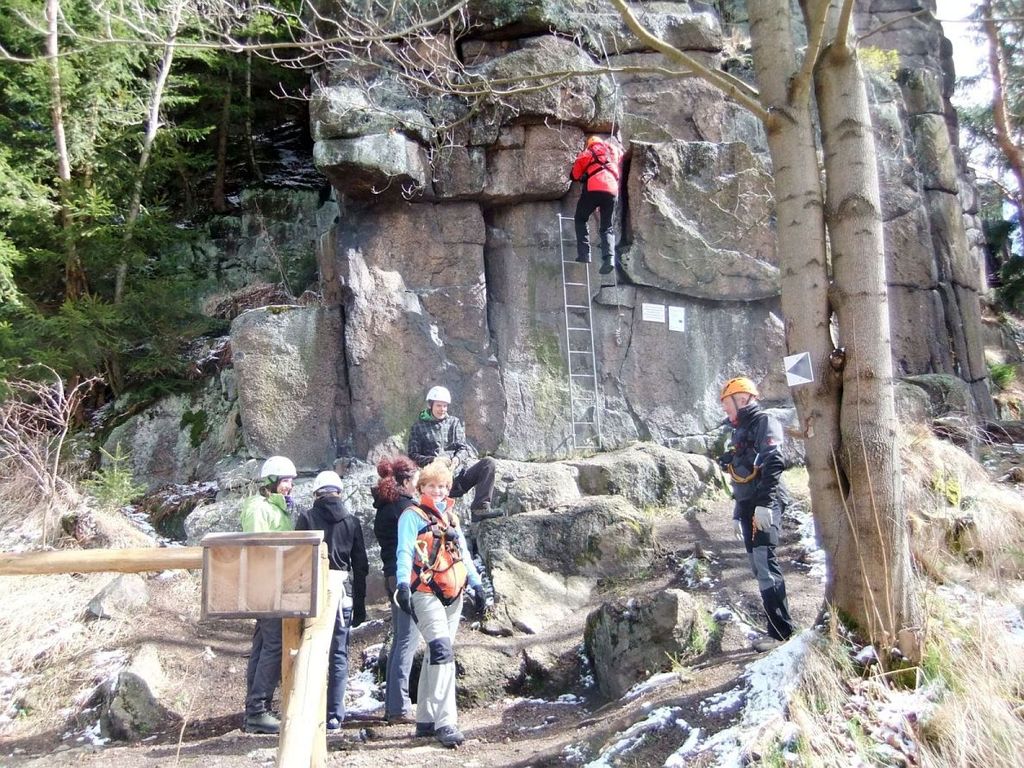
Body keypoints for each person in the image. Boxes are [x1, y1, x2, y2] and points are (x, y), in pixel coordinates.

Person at [394, 459, 488, 748]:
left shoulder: (451, 517)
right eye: (433, 485)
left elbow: (463, 554)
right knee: (442, 651)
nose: (438, 490)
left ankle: (425, 719)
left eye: (443, 486)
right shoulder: (411, 516)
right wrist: (401, 585)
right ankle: (446, 722)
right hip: (424, 590)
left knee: (438, 653)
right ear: (422, 487)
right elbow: (404, 550)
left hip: (454, 593)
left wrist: (477, 584)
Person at [717, 377, 795, 652]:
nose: (725, 409)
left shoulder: (764, 421)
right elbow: (743, 474)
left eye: (727, 403)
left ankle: (781, 634)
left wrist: (764, 504)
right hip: (750, 504)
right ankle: (776, 629)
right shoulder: (740, 430)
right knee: (757, 565)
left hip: (766, 501)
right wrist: (740, 511)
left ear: (743, 399)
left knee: (764, 563)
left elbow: (774, 461)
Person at [296, 469, 368, 731]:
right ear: (338, 492)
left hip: (312, 594)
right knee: (338, 654)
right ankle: (335, 714)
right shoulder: (351, 521)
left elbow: (297, 561)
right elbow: (361, 566)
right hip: (342, 595)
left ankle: (307, 709)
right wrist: (360, 606)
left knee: (310, 651)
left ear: (316, 493)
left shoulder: (306, 518)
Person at [240, 455, 297, 734]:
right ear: (272, 482)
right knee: (274, 645)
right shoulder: (258, 508)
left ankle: (255, 708)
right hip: (265, 583)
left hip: (274, 582)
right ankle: (257, 710)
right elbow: (257, 548)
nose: (290, 486)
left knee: (264, 644)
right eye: (285, 481)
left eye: (291, 482)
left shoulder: (279, 508)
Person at [371, 455, 422, 724]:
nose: (418, 484)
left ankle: (395, 703)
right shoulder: (404, 508)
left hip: (391, 575)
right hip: (405, 577)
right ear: (406, 480)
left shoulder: (385, 506)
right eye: (416, 479)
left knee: (402, 637)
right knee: (407, 639)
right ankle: (398, 707)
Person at [407, 385, 499, 522]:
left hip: (456, 477)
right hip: (434, 482)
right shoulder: (418, 427)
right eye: (439, 405)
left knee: (488, 463)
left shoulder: (454, 423)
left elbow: (463, 448)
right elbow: (413, 455)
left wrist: (456, 460)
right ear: (431, 405)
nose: (442, 409)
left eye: (445, 406)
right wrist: (434, 460)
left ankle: (480, 508)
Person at [571, 134, 624, 275]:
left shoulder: (586, 154)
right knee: (607, 227)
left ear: (590, 145)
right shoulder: (613, 151)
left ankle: (584, 254)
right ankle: (610, 258)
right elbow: (620, 156)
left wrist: (584, 173)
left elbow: (575, 176)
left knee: (581, 219)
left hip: (594, 189)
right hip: (612, 191)